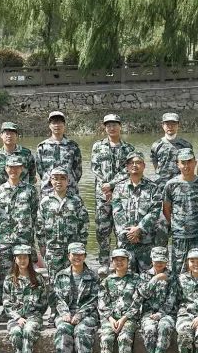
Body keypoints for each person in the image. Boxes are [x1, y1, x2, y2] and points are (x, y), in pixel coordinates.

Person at [90, 114, 136, 265]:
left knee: (121, 230)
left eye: (115, 125)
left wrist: (111, 184)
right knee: (102, 230)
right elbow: (95, 167)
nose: (112, 128)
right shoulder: (98, 146)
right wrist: (105, 186)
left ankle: (120, 263)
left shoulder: (129, 148)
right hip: (102, 195)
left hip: (122, 196)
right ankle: (104, 263)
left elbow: (129, 170)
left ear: (120, 126)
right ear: (105, 128)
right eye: (108, 125)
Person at [53, 242, 99, 353]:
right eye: (74, 254)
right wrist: (65, 313)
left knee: (81, 331)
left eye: (80, 254)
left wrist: (80, 314)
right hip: (66, 313)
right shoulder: (61, 275)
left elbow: (94, 300)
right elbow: (57, 299)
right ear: (69, 256)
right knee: (62, 329)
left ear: (85, 256)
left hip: (87, 314)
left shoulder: (93, 276)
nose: (77, 257)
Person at [162, 148, 198, 276]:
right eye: (183, 162)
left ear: (195, 162)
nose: (186, 166)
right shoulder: (171, 185)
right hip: (180, 235)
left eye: (189, 161)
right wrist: (177, 225)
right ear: (177, 164)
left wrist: (197, 222)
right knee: (179, 270)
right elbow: (166, 209)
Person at [111, 152, 162, 275]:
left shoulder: (153, 187)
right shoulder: (119, 188)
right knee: (126, 276)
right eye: (131, 163)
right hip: (125, 242)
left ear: (144, 166)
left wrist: (139, 229)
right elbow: (117, 212)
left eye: (138, 162)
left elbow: (155, 211)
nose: (134, 165)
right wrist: (129, 233)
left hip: (146, 242)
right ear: (127, 167)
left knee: (147, 276)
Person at [3, 244, 47, 353]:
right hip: (15, 317)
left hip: (33, 317)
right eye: (19, 258)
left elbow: (44, 301)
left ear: (29, 259)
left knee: (28, 330)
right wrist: (17, 317)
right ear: (15, 259)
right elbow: (6, 303)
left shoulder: (38, 278)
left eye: (25, 258)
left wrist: (35, 314)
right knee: (16, 332)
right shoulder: (9, 279)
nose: (22, 261)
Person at [98, 248, 141, 353]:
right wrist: (110, 318)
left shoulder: (136, 279)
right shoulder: (106, 281)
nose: (119, 262)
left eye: (123, 259)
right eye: (116, 260)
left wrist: (123, 319)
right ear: (112, 262)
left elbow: (137, 302)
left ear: (128, 261)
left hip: (128, 318)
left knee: (124, 338)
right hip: (110, 318)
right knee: (106, 338)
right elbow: (102, 303)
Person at [37, 167, 89, 279]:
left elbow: (84, 223)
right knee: (53, 280)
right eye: (55, 178)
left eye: (62, 178)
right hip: (53, 249)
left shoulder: (76, 201)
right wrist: (42, 245)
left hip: (73, 249)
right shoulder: (45, 202)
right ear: (51, 181)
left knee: (73, 279)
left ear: (68, 181)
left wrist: (82, 245)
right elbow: (40, 225)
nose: (59, 182)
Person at [139, 246, 180, 353]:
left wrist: (161, 314)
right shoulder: (144, 275)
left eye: (162, 261)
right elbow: (144, 294)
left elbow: (172, 299)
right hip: (148, 312)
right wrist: (155, 279)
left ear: (167, 261)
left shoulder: (172, 276)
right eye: (157, 261)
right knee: (149, 328)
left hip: (167, 312)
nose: (159, 264)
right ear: (151, 260)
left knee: (164, 326)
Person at [0, 156, 39, 274]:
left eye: (17, 167)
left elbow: (35, 214)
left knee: (25, 276)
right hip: (5, 240)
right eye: (10, 167)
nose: (13, 170)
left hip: (24, 240)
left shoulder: (30, 190)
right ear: (6, 168)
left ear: (21, 169)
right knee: (5, 276)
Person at [36, 110, 82, 190]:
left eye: (60, 122)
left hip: (70, 189)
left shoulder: (73, 146)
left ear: (64, 125)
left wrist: (69, 181)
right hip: (48, 189)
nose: (57, 125)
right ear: (49, 126)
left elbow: (78, 171)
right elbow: (40, 170)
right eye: (54, 123)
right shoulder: (42, 147)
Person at [0, 122, 37, 190]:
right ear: (1, 135)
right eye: (7, 133)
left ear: (17, 136)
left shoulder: (26, 153)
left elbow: (32, 175)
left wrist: (29, 190)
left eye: (12, 133)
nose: (9, 136)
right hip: (3, 193)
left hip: (23, 192)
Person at [150, 112, 193, 183]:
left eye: (173, 124)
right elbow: (155, 165)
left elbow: (189, 165)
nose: (170, 126)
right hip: (161, 183)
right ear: (162, 125)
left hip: (180, 183)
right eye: (167, 124)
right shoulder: (156, 145)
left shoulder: (186, 145)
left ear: (178, 125)